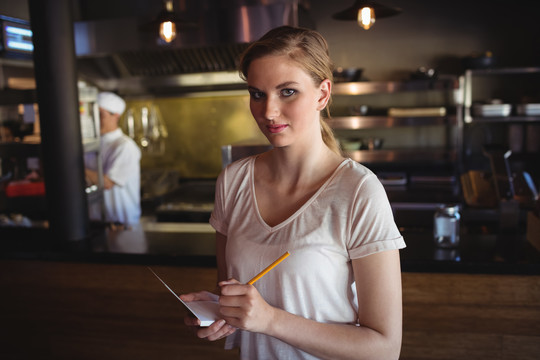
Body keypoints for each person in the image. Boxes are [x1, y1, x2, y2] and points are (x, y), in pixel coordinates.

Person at [181, 26, 406, 360]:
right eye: (257, 94)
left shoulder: (358, 191)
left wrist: (270, 320)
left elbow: (385, 348)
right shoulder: (233, 181)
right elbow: (238, 290)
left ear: (322, 94)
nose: (268, 112)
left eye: (287, 92)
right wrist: (218, 309)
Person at [85, 91, 141, 229]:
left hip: (122, 225)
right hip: (95, 223)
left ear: (116, 116)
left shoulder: (124, 146)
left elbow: (107, 183)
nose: (95, 120)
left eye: (100, 115)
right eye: (92, 115)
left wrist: (73, 166)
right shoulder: (90, 144)